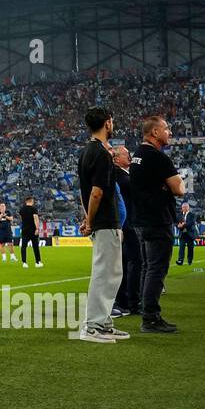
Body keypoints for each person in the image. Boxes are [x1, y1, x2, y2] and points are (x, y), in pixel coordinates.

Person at [128, 115, 184, 334]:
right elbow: (179, 189)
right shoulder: (156, 156)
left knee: (148, 267)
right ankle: (150, 317)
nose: (169, 132)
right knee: (156, 269)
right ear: (154, 132)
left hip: (141, 220)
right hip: (157, 219)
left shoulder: (137, 155)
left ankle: (146, 312)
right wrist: (169, 186)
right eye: (166, 128)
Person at [76, 107, 128, 343]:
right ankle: (93, 326)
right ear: (107, 123)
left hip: (102, 221)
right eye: (112, 121)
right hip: (106, 221)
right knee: (104, 273)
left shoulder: (86, 152)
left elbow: (83, 192)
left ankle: (103, 322)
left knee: (111, 273)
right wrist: (90, 220)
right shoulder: (102, 154)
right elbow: (96, 192)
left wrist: (87, 218)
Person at [111, 146, 142, 318]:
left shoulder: (122, 174)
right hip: (127, 225)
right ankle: (131, 301)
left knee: (125, 263)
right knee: (134, 261)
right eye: (125, 154)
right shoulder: (119, 175)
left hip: (126, 224)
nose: (129, 156)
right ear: (116, 158)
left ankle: (124, 301)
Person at [19, 195, 42, 268]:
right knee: (35, 247)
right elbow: (36, 218)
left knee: (23, 246)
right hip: (33, 230)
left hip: (25, 229)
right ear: (31, 201)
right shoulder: (33, 209)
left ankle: (24, 262)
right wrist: (37, 228)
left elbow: (21, 218)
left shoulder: (22, 209)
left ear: (26, 201)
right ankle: (37, 262)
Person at [175, 202, 197, 266]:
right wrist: (178, 226)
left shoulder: (192, 215)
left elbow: (190, 223)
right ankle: (180, 260)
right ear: (182, 208)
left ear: (188, 208)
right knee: (181, 248)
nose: (184, 208)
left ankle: (190, 260)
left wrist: (182, 225)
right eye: (183, 207)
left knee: (190, 248)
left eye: (185, 207)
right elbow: (176, 223)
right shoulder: (179, 215)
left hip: (190, 234)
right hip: (182, 234)